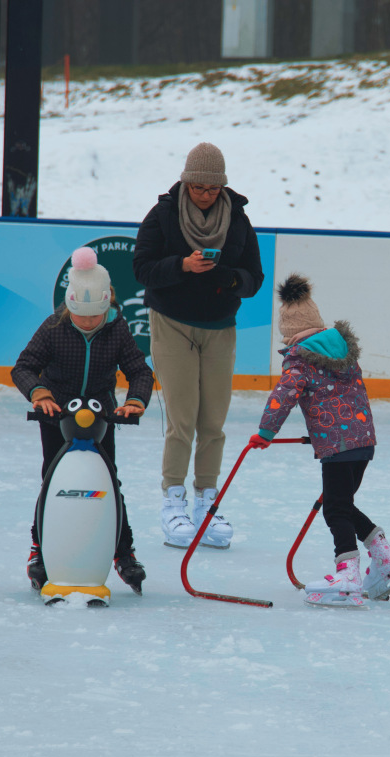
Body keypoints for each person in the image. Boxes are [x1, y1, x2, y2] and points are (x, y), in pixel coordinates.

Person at [248, 274, 390, 606]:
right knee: (343, 504)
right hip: (363, 442)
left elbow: (284, 396)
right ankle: (386, 559)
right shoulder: (344, 353)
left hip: (337, 447)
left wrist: (265, 433)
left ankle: (347, 574)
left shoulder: (299, 360)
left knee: (335, 509)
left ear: (290, 335)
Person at [132, 142, 264, 549]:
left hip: (220, 326)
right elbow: (141, 269)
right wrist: (183, 266)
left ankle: (208, 502)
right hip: (172, 324)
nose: (206, 195)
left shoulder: (238, 219)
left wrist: (227, 277)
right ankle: (173, 500)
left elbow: (254, 278)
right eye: (198, 187)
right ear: (186, 182)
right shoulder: (162, 215)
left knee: (213, 422)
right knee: (182, 418)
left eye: (213, 188)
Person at [11, 246, 155, 594]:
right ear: (70, 306)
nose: (88, 322)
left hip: (100, 418)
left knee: (109, 483)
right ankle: (40, 550)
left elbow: (139, 371)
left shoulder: (117, 329)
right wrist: (39, 394)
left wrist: (134, 401)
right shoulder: (53, 328)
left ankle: (123, 553)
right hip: (56, 417)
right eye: (81, 316)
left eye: (95, 316)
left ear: (107, 304)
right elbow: (24, 367)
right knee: (51, 481)